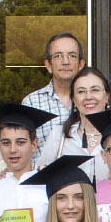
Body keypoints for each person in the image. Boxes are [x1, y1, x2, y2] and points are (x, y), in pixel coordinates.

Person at [0, 103, 59, 222]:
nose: (12, 150)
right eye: (6, 143)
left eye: (20, 142)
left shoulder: (49, 188)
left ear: (34, 145)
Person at [20, 32, 86, 166]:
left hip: (86, 182)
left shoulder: (92, 101)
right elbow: (23, 150)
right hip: (43, 183)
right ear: (48, 65)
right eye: (58, 56)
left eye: (72, 56)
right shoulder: (31, 103)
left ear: (81, 64)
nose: (65, 61)